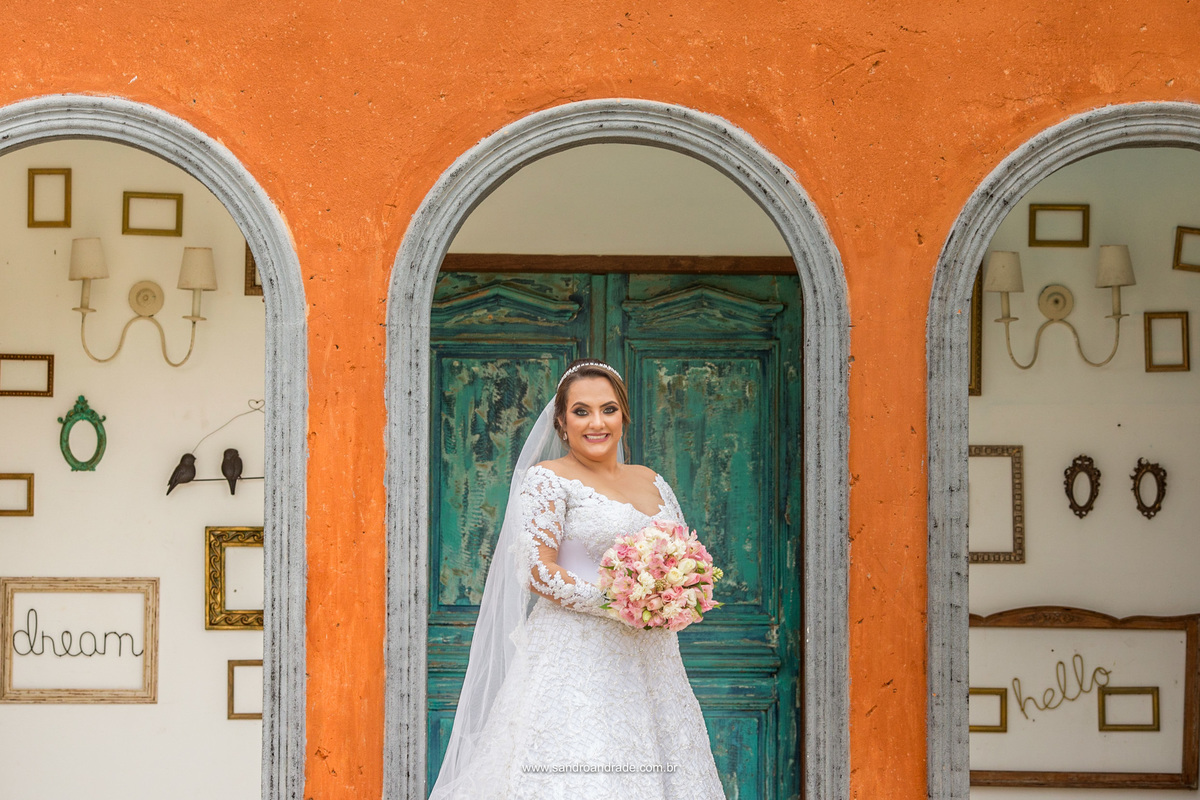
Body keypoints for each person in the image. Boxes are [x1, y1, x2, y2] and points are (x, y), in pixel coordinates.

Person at [428, 359, 726, 799]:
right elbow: (537, 570)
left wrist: (681, 592)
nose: (596, 422)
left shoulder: (653, 482)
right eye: (581, 411)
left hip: (652, 661)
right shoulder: (549, 479)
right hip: (576, 657)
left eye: (607, 409)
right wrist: (625, 603)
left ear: (624, 415)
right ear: (562, 422)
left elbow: (687, 555)